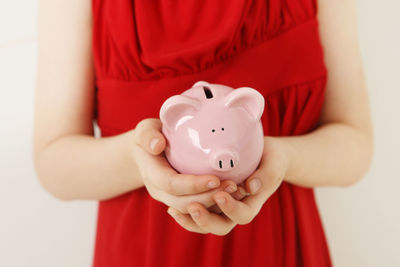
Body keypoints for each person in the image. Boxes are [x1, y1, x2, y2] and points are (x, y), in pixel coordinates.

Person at [33, 0, 373, 266]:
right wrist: (140, 159)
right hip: (144, 253)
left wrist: (281, 158)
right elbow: (54, 163)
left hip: (278, 249)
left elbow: (355, 145)